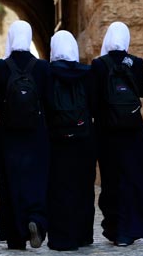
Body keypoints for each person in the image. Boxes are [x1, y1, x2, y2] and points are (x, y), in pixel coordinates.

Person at [91, 21, 143, 246]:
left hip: (108, 130)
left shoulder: (99, 65)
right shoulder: (135, 62)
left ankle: (117, 230)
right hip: (133, 130)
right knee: (134, 176)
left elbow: (93, 99)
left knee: (112, 178)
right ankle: (133, 228)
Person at [0, 20, 51, 250]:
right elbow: (50, 103)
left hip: (9, 136)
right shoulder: (43, 68)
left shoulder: (1, 67)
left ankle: (16, 236)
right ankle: (35, 220)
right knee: (36, 181)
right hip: (37, 136)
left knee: (11, 185)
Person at [46, 30, 97, 251]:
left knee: (58, 187)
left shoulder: (47, 73)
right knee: (84, 187)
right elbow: (95, 106)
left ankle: (61, 238)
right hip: (84, 138)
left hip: (56, 139)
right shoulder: (88, 73)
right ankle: (83, 235)